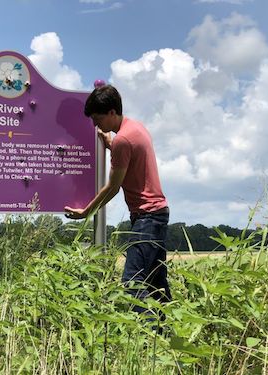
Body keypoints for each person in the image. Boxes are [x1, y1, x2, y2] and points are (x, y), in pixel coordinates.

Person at [64, 84, 171, 314]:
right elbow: (130, 156)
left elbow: (113, 187)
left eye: (97, 118)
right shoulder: (136, 128)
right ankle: (168, 334)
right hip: (159, 213)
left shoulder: (123, 140)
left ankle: (148, 335)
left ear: (112, 112)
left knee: (132, 283)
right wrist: (110, 143)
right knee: (156, 283)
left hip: (147, 217)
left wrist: (86, 212)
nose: (95, 125)